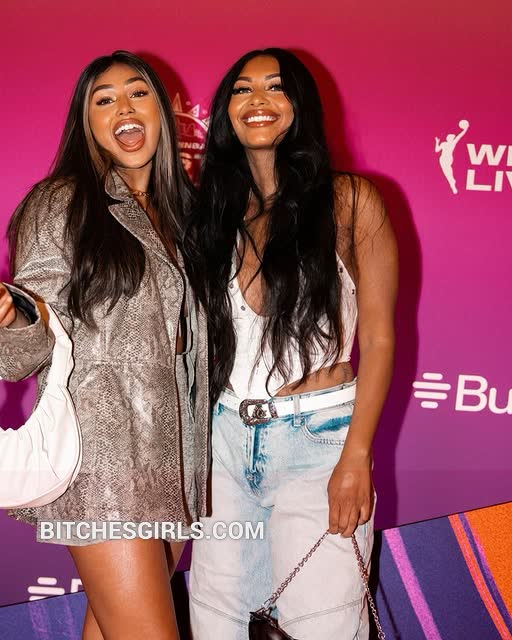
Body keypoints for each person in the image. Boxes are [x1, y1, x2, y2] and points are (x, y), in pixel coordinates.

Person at [0, 50, 210, 640]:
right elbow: (31, 326)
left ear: (162, 112)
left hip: (175, 458)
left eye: (138, 93)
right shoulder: (62, 201)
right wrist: (12, 314)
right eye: (104, 99)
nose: (125, 107)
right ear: (87, 122)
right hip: (104, 457)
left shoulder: (186, 215)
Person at [185, 48, 398, 639]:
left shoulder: (351, 201)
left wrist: (356, 457)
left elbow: (379, 339)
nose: (257, 100)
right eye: (242, 89)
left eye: (275, 87)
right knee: (218, 625)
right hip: (224, 447)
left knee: (323, 625)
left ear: (300, 103)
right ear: (225, 111)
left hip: (320, 443)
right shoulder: (212, 214)